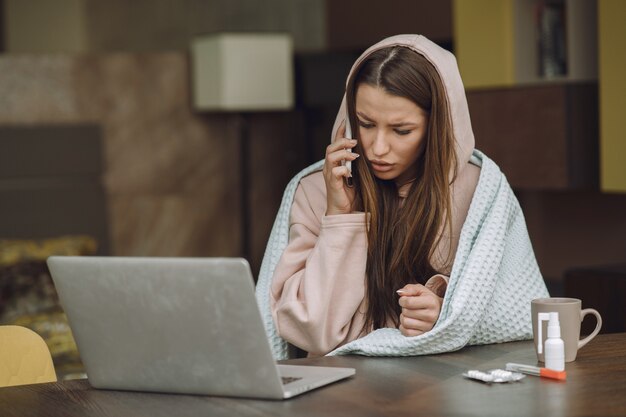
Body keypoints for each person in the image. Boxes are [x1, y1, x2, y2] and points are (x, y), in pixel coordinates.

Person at [266, 35, 535, 357]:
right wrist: (340, 216)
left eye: (401, 130)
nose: (378, 148)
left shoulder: (480, 192)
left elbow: (519, 312)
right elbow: (312, 331)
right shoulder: (315, 190)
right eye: (365, 124)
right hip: (341, 393)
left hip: (444, 390)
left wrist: (443, 312)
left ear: (438, 124)